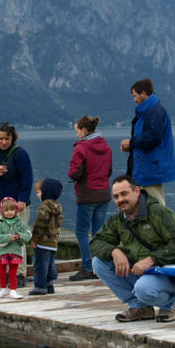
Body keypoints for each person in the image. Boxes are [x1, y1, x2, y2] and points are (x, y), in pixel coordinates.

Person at [90, 174, 175, 323]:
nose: (120, 200)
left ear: (136, 191)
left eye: (124, 194)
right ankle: (140, 307)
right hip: (139, 272)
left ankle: (170, 304)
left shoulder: (159, 212)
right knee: (99, 262)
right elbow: (96, 242)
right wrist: (115, 251)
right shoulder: (118, 220)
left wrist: (152, 259)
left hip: (165, 272)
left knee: (143, 289)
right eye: (116, 197)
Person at [0, 122, 34, 267]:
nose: (4, 142)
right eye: (1, 138)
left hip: (18, 205)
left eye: (7, 139)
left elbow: (27, 178)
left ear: (13, 138)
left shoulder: (20, 153)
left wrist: (22, 199)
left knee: (18, 240)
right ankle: (1, 274)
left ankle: (19, 274)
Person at [119, 78, 175, 205]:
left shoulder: (155, 111)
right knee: (144, 205)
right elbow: (148, 137)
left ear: (144, 93)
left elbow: (154, 137)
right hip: (144, 168)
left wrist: (132, 143)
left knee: (156, 205)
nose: (134, 100)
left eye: (135, 96)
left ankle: (162, 225)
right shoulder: (147, 111)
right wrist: (132, 145)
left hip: (150, 168)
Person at [67, 115, 113, 281]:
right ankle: (100, 267)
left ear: (84, 130)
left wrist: (75, 176)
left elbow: (74, 172)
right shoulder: (106, 147)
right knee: (98, 233)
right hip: (104, 194)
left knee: (81, 232)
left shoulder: (81, 148)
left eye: (77, 131)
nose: (77, 134)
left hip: (87, 194)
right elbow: (108, 171)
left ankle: (87, 267)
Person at [0, 197, 32, 299]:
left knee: (13, 272)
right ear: (2, 211)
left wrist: (20, 236)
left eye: (12, 210)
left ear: (16, 210)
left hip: (16, 251)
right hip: (2, 251)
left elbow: (28, 234)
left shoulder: (20, 223)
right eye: (6, 210)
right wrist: (8, 238)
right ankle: (3, 289)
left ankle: (13, 290)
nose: (9, 212)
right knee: (1, 270)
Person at [29, 178, 64, 295]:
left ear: (46, 192)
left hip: (43, 242)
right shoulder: (58, 206)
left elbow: (40, 224)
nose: (37, 195)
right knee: (50, 264)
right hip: (53, 242)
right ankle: (50, 284)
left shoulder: (44, 206)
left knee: (40, 266)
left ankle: (40, 287)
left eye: (39, 192)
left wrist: (34, 239)